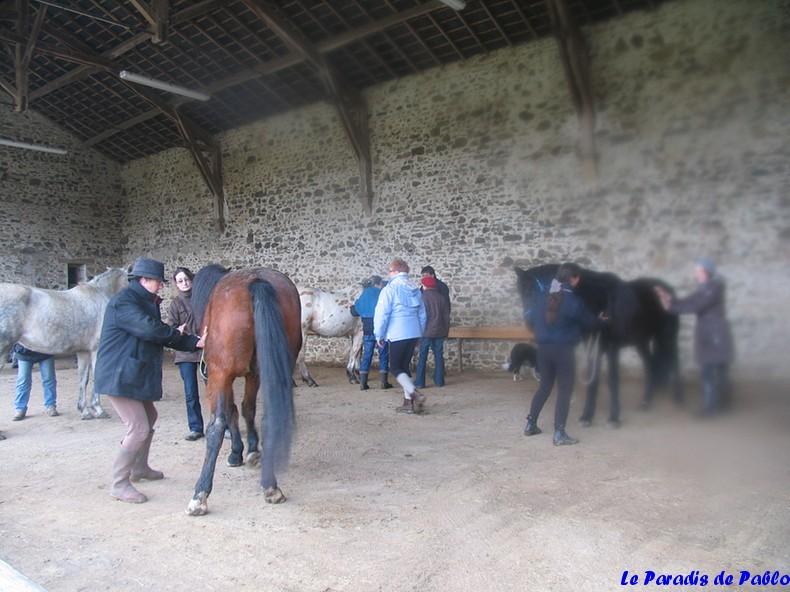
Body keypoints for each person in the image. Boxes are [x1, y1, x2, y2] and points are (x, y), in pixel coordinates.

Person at [94, 257, 204, 504]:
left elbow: (153, 330)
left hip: (132, 372)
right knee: (138, 426)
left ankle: (139, 468)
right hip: (119, 373)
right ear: (143, 280)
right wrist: (191, 341)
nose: (161, 286)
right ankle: (119, 483)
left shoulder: (143, 301)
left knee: (150, 417)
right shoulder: (125, 302)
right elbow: (150, 330)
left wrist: (184, 337)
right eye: (158, 281)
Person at [523, 262, 602, 446]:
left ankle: (530, 424)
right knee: (565, 390)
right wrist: (601, 320)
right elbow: (590, 323)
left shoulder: (542, 298)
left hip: (543, 350)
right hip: (563, 351)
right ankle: (559, 433)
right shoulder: (574, 301)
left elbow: (531, 320)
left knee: (544, 387)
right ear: (574, 279)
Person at [655, 257, 734, 416]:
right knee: (711, 371)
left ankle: (713, 408)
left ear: (706, 272)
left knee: (713, 372)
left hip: (715, 336)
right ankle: (715, 405)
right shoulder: (706, 288)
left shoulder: (712, 288)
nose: (695, 274)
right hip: (710, 334)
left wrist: (670, 305)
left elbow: (694, 305)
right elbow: (690, 301)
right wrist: (670, 300)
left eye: (697, 271)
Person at [374, 258, 427, 414]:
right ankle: (408, 404)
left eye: (390, 271)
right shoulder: (415, 289)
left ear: (396, 271)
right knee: (404, 367)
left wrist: (379, 334)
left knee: (395, 367)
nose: (389, 273)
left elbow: (382, 314)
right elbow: (423, 314)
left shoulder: (389, 289)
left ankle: (414, 394)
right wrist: (420, 334)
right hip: (414, 332)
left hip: (398, 333)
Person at [167, 267, 205, 441]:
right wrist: (178, 331)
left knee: (215, 390)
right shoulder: (175, 304)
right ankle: (196, 428)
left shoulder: (203, 299)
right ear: (176, 284)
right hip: (185, 353)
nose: (185, 283)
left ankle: (223, 425)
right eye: (180, 281)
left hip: (205, 350)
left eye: (187, 279)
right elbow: (172, 329)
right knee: (191, 393)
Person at [351, 275, 392, 391]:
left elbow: (355, 310)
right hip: (381, 329)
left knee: (367, 355)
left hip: (368, 328)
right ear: (378, 284)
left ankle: (363, 383)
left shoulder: (364, 294)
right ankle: (384, 382)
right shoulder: (382, 293)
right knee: (383, 354)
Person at [415, 275, 450, 388]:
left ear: (424, 285)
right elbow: (446, 316)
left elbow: (419, 316)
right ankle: (439, 381)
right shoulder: (441, 298)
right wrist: (446, 331)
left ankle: (420, 382)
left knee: (422, 357)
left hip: (426, 332)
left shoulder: (422, 297)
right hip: (439, 331)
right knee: (439, 356)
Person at [12, 344, 58, 421]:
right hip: (24, 351)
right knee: (23, 381)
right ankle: (20, 408)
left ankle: (50, 405)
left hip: (45, 350)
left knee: (49, 379)